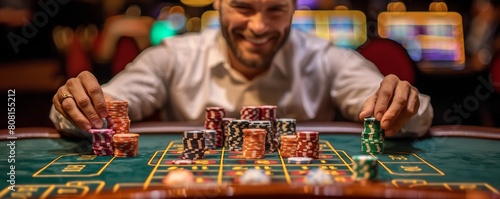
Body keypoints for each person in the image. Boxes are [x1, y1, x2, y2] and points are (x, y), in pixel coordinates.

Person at [50, 0, 433, 139]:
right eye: (244, 8)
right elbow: (108, 103)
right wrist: (76, 106)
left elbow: (408, 110)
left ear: (294, 9)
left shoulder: (327, 57)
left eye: (275, 10)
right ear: (218, 4)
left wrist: (405, 107)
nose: (259, 26)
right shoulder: (172, 56)